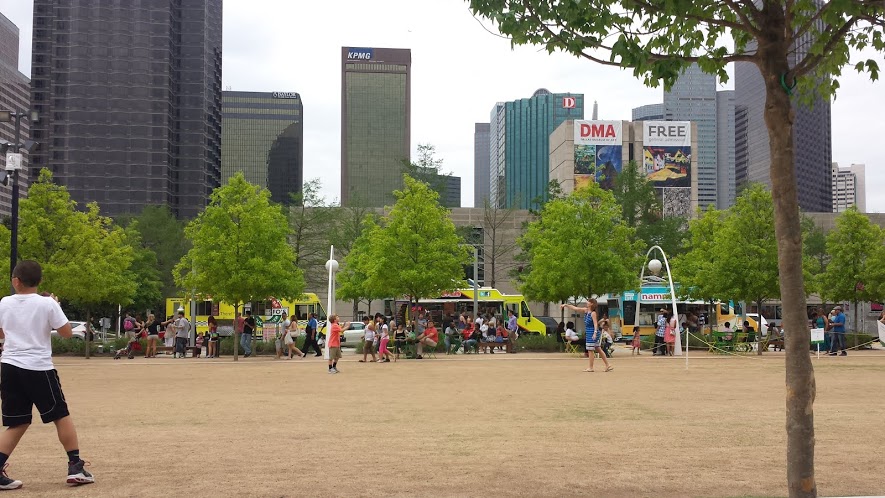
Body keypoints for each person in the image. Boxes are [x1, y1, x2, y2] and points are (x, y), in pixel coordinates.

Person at [0, 260, 95, 489]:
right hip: (38, 367)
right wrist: (54, 305)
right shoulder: (47, 304)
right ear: (39, 281)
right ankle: (75, 466)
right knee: (60, 415)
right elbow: (66, 333)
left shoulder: (4, 302)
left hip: (9, 367)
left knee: (17, 422)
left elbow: (2, 332)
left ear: (16, 281)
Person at [561, 300, 613, 372]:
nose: (587, 302)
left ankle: (591, 367)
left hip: (592, 332)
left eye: (588, 302)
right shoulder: (586, 310)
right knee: (598, 348)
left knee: (590, 350)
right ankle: (608, 365)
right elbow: (576, 308)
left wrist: (594, 333)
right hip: (589, 332)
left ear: (591, 304)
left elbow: (595, 324)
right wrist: (566, 305)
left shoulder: (593, 313)